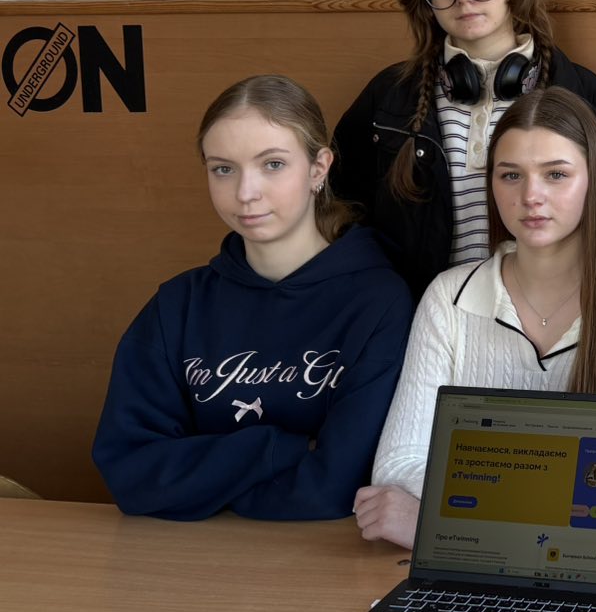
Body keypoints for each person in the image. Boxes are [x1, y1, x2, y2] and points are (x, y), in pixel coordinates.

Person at [356, 87, 596, 548]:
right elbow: (397, 466)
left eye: (556, 174)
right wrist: (542, 498)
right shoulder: (448, 296)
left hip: (586, 570)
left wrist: (436, 524)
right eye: (511, 175)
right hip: (464, 574)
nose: (531, 195)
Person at [91, 75, 413, 520]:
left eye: (272, 164)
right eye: (223, 169)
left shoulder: (380, 303)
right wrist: (282, 449)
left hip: (320, 555)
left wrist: (201, 486)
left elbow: (334, 488)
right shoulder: (177, 306)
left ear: (319, 168)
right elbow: (132, 475)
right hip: (187, 553)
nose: (245, 193)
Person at [333, 0, 596, 299]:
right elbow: (341, 210)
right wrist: (384, 297)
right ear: (427, 1)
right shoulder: (389, 96)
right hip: (422, 310)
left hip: (552, 309)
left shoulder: (582, 93)